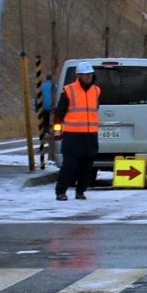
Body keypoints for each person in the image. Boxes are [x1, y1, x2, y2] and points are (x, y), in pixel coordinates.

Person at [53, 63, 101, 201]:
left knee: (87, 166)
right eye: (86, 74)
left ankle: (80, 191)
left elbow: (95, 108)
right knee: (69, 165)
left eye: (90, 74)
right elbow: (60, 112)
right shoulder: (69, 90)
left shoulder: (96, 90)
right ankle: (61, 192)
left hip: (90, 134)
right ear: (79, 75)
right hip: (73, 135)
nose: (89, 77)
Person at [34, 61, 55, 169]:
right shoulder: (55, 86)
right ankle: (51, 144)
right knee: (53, 127)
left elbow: (37, 97)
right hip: (52, 109)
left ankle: (42, 142)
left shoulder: (42, 86)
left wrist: (36, 108)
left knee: (43, 127)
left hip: (43, 109)